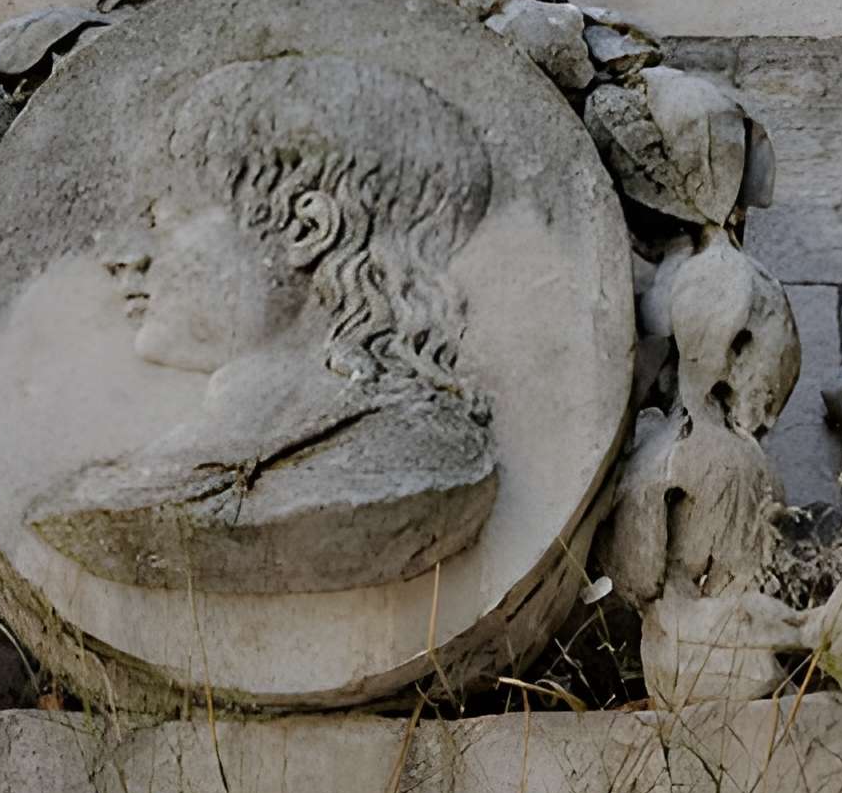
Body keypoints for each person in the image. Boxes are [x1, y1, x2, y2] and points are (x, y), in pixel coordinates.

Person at [31, 54, 500, 594]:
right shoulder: (137, 480)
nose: (122, 255)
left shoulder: (412, 462)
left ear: (308, 228)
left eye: (162, 217)